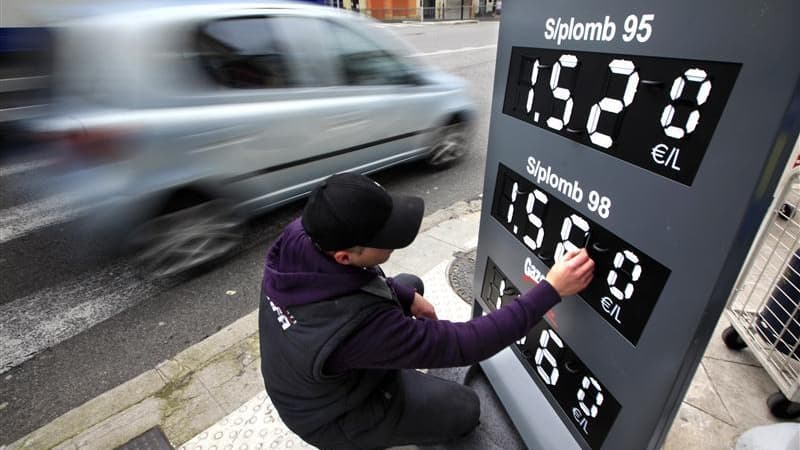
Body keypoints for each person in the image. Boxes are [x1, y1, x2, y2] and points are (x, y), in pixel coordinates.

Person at [258, 172, 594, 449]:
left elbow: (354, 282)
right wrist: (551, 290)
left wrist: (405, 297)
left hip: (309, 372)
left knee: (409, 281)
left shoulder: (301, 237)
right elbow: (466, 343)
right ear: (345, 256)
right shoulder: (359, 329)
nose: (396, 238)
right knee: (465, 409)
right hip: (336, 416)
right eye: (386, 237)